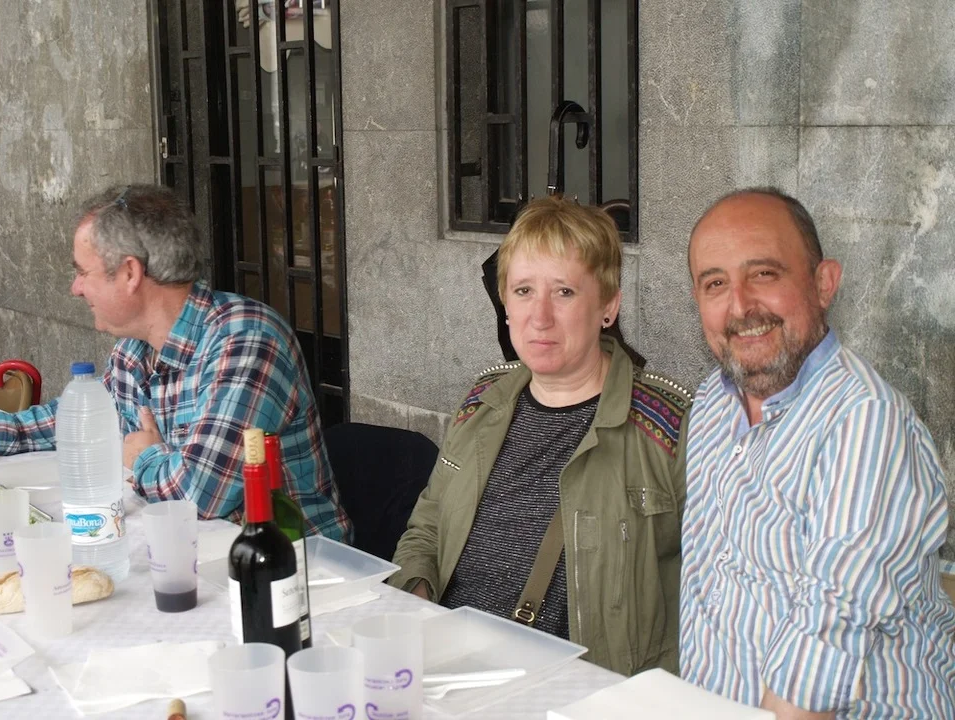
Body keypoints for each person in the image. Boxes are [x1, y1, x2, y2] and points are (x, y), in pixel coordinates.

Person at [680, 188, 955, 719]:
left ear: (823, 283)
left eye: (764, 274)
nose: (740, 306)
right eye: (715, 283)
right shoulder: (715, 400)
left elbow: (816, 664)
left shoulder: (865, 422)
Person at [389, 195, 691, 676]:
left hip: (581, 695)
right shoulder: (482, 401)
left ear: (608, 305)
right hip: (449, 676)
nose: (540, 316)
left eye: (564, 292)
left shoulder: (669, 429)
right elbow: (428, 526)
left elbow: (719, 595)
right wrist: (416, 595)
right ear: (505, 305)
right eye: (524, 290)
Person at [0, 185, 351, 541]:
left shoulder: (246, 339)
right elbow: (78, 419)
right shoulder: (133, 349)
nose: (76, 288)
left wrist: (143, 456)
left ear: (130, 273)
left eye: (83, 272)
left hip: (293, 563)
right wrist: (5, 430)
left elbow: (200, 494)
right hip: (195, 548)